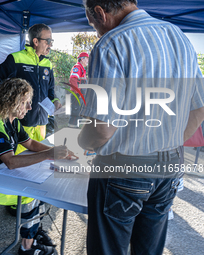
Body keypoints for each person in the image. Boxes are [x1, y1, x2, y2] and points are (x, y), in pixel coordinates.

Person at [78, 1, 204, 255]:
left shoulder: (112, 43)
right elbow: (199, 106)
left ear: (100, 12)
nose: (97, 32)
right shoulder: (177, 35)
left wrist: (82, 142)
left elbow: (102, 129)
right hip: (169, 165)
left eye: (94, 25)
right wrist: (169, 142)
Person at [0, 78, 76, 255]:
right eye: (25, 103)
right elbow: (11, 162)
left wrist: (58, 152)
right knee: (31, 194)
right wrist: (48, 155)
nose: (29, 107)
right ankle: (27, 247)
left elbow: (30, 143)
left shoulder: (12, 121)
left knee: (39, 189)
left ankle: (33, 232)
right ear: (11, 101)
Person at [0, 23, 62, 155]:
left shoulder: (47, 64)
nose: (50, 45)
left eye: (52, 41)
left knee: (41, 160)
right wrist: (9, 101)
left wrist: (55, 100)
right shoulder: (16, 58)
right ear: (36, 41)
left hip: (42, 122)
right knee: (22, 161)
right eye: (48, 41)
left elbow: (50, 89)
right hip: (22, 122)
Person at [68, 52, 89, 128]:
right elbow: (73, 79)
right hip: (77, 95)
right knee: (75, 113)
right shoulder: (77, 67)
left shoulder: (82, 69)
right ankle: (72, 129)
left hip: (80, 95)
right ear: (82, 59)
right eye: (87, 59)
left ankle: (75, 128)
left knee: (78, 113)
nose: (88, 61)